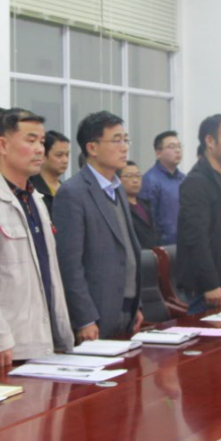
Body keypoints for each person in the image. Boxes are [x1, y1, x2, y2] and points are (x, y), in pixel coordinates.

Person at [0, 108, 74, 374]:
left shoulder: (35, 199)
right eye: (30, 140)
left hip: (39, 340)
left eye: (41, 141)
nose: (40, 149)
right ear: (3, 145)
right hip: (2, 348)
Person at [54, 112, 143, 341]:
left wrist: (136, 303)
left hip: (126, 308)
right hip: (96, 314)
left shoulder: (118, 188)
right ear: (92, 148)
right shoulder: (73, 193)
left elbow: (126, 248)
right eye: (116, 140)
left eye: (126, 140)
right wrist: (84, 318)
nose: (124, 147)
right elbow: (69, 264)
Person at [176, 114, 221, 314]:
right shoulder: (196, 182)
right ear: (209, 141)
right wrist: (210, 283)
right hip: (213, 285)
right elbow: (196, 238)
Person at [139, 130, 185, 245]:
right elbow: (150, 220)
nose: (178, 150)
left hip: (184, 244)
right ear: (158, 153)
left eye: (179, 146)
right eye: (172, 147)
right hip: (163, 247)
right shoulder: (150, 180)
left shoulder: (184, 179)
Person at [30, 130, 69, 215]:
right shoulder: (31, 189)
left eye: (67, 155)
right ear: (43, 156)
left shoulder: (68, 190)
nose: (65, 160)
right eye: (59, 155)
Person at [121, 161, 158, 248]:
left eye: (138, 176)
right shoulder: (119, 207)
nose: (135, 180)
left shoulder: (146, 204)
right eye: (129, 176)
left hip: (151, 253)